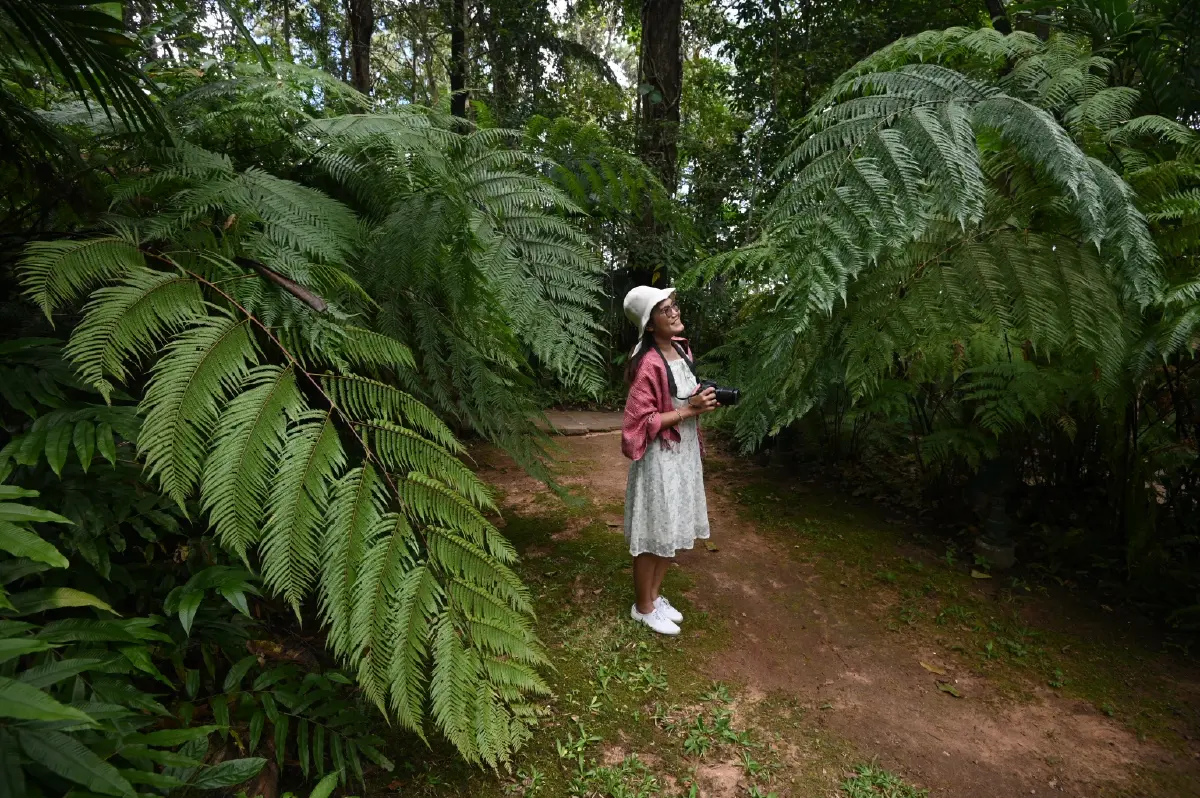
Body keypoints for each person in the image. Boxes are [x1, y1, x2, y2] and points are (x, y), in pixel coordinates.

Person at [620, 285, 719, 635]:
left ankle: (655, 596)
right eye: (664, 310)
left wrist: (700, 400)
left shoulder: (681, 348)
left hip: (684, 453)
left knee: (670, 526)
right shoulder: (648, 364)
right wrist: (688, 410)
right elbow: (639, 423)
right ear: (649, 325)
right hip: (660, 457)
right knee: (652, 530)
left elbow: (681, 399)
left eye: (673, 305)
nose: (674, 311)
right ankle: (643, 607)